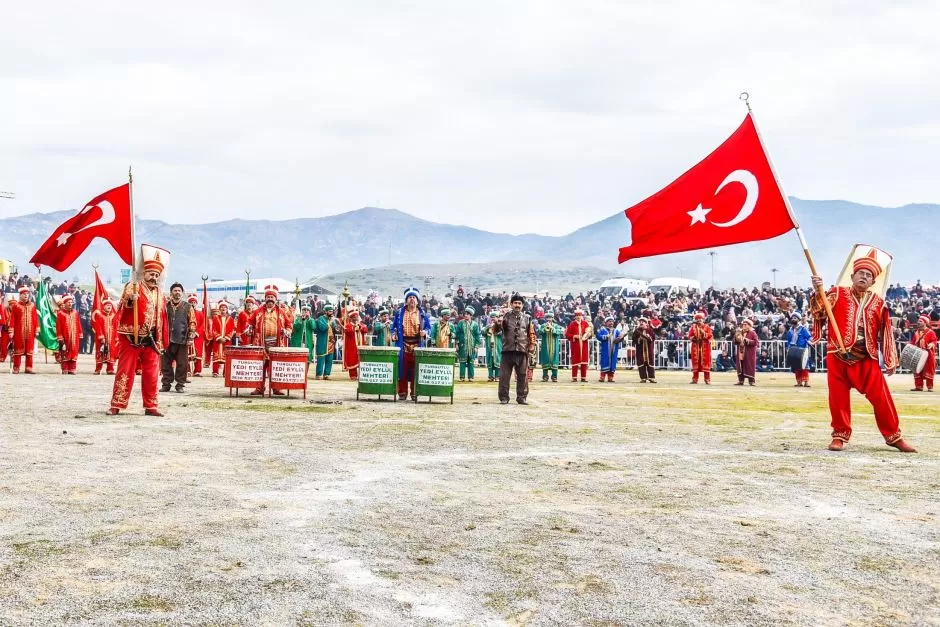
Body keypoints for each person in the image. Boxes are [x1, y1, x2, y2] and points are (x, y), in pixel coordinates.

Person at [810, 250, 916, 452]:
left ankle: (894, 436)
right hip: (838, 356)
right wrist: (818, 292)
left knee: (882, 397)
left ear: (873, 281)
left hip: (866, 357)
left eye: (869, 275)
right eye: (861, 273)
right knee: (838, 397)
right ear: (852, 276)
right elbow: (819, 312)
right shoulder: (836, 293)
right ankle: (839, 436)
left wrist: (890, 358)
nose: (864, 277)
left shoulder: (879, 303)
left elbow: (886, 332)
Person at [108, 245, 169, 416]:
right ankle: (116, 404)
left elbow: (162, 318)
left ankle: (151, 406)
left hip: (151, 340)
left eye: (157, 275)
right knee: (125, 371)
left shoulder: (159, 293)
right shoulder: (133, 286)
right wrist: (131, 299)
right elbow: (123, 305)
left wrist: (160, 339)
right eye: (151, 274)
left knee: (151, 375)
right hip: (131, 337)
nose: (154, 277)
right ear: (144, 273)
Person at [392, 287, 431, 400]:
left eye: (414, 297)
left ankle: (414, 392)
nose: (412, 299)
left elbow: (429, 328)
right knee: (402, 369)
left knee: (415, 370)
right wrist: (393, 335)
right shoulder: (399, 313)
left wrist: (425, 332)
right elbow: (393, 327)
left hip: (417, 345)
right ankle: (402, 392)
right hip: (402, 344)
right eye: (410, 297)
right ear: (406, 300)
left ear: (417, 300)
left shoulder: (422, 314)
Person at [251, 285, 290, 395]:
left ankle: (276, 388)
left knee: (276, 366)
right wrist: (249, 328)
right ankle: (259, 388)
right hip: (261, 342)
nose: (270, 299)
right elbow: (249, 322)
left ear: (275, 299)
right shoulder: (258, 311)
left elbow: (289, 324)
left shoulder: (281, 312)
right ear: (265, 299)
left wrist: (287, 331)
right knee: (260, 366)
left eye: (272, 297)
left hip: (277, 343)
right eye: (268, 297)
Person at [498, 293, 536, 404]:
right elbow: (497, 329)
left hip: (522, 351)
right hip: (507, 351)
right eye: (515, 303)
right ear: (511, 304)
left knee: (522, 376)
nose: (517, 305)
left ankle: (522, 397)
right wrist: (499, 320)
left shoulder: (527, 318)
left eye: (519, 303)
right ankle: (504, 398)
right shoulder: (505, 316)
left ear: (522, 305)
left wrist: (532, 345)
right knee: (504, 376)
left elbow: (531, 333)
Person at [161, 282, 194, 393]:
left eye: (179, 291)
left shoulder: (187, 306)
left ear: (182, 293)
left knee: (182, 363)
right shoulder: (165, 306)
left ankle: (180, 384)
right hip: (167, 338)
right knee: (165, 363)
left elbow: (192, 322)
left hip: (182, 338)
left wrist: (190, 337)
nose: (177, 292)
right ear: (171, 293)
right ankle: (166, 384)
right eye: (175, 290)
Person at [9, 286, 39, 374]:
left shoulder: (32, 305)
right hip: (19, 332)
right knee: (18, 350)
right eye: (24, 294)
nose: (26, 296)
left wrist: (37, 330)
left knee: (30, 351)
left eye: (27, 294)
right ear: (20, 295)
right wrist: (11, 331)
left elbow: (35, 318)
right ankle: (16, 367)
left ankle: (29, 368)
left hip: (30, 332)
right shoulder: (16, 306)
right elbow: (12, 319)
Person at [54, 294, 82, 374]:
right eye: (68, 302)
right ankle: (65, 368)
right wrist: (60, 338)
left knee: (74, 351)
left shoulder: (76, 313)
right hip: (65, 338)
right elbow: (58, 327)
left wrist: (80, 333)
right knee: (65, 352)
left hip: (75, 337)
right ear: (65, 303)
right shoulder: (60, 314)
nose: (70, 304)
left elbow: (78, 323)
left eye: (71, 302)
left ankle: (72, 368)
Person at [909, 314, 936, 392]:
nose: (918, 322)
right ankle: (919, 386)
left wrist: (932, 344)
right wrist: (910, 344)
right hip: (918, 354)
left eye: (920, 321)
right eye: (918, 321)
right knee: (917, 369)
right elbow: (913, 342)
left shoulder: (931, 332)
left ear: (925, 322)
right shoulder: (916, 332)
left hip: (927, 354)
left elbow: (934, 340)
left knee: (928, 369)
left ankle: (930, 387)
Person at [92, 298, 118, 375]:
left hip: (112, 339)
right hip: (102, 339)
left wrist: (116, 337)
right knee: (101, 353)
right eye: (107, 305)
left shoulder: (114, 316)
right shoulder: (99, 316)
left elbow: (116, 327)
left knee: (111, 353)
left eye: (110, 305)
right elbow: (98, 327)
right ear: (103, 306)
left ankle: (110, 369)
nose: (109, 306)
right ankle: (98, 369)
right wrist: (101, 337)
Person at [564, 308, 592, 382]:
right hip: (575, 345)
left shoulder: (585, 323)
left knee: (584, 361)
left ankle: (583, 377)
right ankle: (574, 377)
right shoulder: (572, 324)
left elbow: (589, 332)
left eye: (580, 315)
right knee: (575, 361)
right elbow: (567, 334)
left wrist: (588, 335)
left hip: (584, 344)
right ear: (575, 316)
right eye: (577, 315)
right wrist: (574, 336)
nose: (578, 317)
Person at [785, 313, 812, 387]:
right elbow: (788, 341)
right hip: (793, 349)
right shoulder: (790, 330)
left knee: (804, 365)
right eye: (792, 318)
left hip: (802, 349)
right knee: (796, 366)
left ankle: (806, 382)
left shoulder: (803, 329)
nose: (793, 319)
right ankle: (799, 382)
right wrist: (788, 348)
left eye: (795, 318)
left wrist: (810, 341)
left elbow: (809, 337)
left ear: (799, 320)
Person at [455, 306, 481, 382]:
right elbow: (457, 334)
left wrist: (476, 346)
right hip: (463, 346)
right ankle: (462, 377)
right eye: (465, 314)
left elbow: (477, 336)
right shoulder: (460, 323)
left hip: (472, 346)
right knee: (462, 361)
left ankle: (471, 377)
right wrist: (457, 344)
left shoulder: (475, 324)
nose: (465, 315)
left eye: (467, 314)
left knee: (471, 362)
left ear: (471, 315)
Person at [210, 301, 236, 377]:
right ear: (219, 309)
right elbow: (213, 329)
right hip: (217, 341)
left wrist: (226, 338)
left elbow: (232, 330)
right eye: (221, 307)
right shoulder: (215, 318)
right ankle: (215, 372)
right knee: (216, 356)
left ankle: (226, 372)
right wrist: (218, 337)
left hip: (227, 341)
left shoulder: (230, 319)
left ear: (227, 309)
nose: (223, 308)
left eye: (225, 307)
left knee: (227, 357)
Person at [596, 316, 624, 382]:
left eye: (612, 321)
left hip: (614, 349)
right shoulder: (603, 330)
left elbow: (620, 337)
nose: (611, 323)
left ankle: (610, 377)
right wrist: (606, 337)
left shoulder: (616, 331)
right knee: (604, 362)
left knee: (613, 362)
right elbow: (598, 336)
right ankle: (602, 376)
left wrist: (620, 338)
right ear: (606, 323)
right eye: (609, 321)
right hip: (605, 350)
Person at [342, 308, 368, 380]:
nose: (356, 318)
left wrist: (360, 327)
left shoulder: (361, 324)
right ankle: (353, 375)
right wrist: (354, 328)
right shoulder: (348, 325)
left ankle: (362, 376)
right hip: (352, 346)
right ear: (351, 318)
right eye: (354, 317)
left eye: (356, 317)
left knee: (362, 360)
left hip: (361, 345)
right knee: (352, 359)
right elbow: (348, 332)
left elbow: (366, 330)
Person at [688, 311, 713, 384]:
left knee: (705, 363)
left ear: (703, 320)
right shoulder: (693, 327)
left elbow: (711, 336)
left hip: (705, 347)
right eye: (697, 320)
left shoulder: (707, 327)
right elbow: (689, 336)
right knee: (696, 363)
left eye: (700, 319)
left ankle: (707, 379)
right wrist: (693, 338)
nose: (699, 321)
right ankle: (695, 379)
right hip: (696, 347)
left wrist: (704, 333)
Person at [537, 310, 563, 382]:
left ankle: (554, 376)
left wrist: (552, 328)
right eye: (547, 318)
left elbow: (558, 332)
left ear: (552, 318)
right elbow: (539, 332)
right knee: (545, 359)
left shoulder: (556, 325)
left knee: (554, 360)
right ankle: (545, 376)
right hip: (545, 346)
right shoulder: (543, 325)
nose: (549, 319)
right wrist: (545, 329)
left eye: (550, 317)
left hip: (554, 346)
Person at [734, 318, 759, 385]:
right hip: (740, 353)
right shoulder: (740, 332)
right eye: (743, 324)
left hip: (748, 353)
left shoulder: (753, 333)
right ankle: (741, 380)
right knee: (740, 366)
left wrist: (748, 341)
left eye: (745, 325)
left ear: (749, 326)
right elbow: (735, 341)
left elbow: (756, 342)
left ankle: (751, 381)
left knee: (749, 366)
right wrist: (736, 338)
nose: (744, 326)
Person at [632, 316, 657, 383]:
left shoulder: (650, 330)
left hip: (648, 350)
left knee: (650, 363)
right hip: (640, 350)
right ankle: (643, 378)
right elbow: (634, 339)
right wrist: (639, 339)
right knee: (641, 363)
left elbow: (653, 338)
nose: (641, 323)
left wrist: (649, 337)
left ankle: (651, 377)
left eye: (643, 321)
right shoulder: (637, 331)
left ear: (646, 323)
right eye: (640, 321)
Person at [187, 294, 204, 377]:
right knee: (186, 353)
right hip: (188, 336)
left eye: (194, 302)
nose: (192, 304)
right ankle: (187, 370)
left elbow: (202, 325)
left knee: (198, 353)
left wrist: (196, 333)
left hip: (198, 337)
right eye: (191, 302)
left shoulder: (200, 313)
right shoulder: (185, 313)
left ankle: (197, 371)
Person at [485, 311, 503, 382]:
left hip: (498, 347)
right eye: (491, 317)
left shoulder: (501, 326)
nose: (493, 319)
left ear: (497, 318)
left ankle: (497, 376)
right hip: (490, 347)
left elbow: (502, 333)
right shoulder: (488, 326)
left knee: (498, 361)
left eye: (494, 317)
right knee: (490, 361)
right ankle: (490, 376)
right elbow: (483, 332)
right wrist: (487, 328)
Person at [0, 295, 10, 364]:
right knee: (3, 346)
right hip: (5, 331)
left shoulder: (16, 312)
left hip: (14, 332)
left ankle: (14, 358)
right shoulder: (4, 310)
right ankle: (2, 357)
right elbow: (2, 321)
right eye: (11, 305)